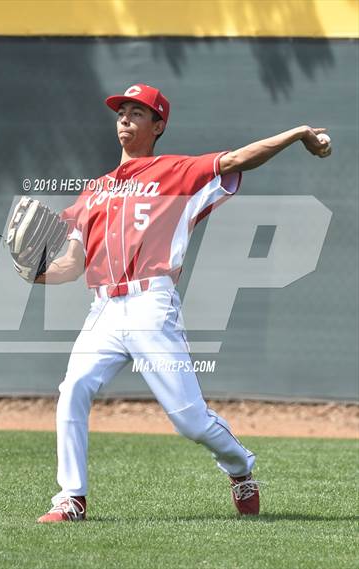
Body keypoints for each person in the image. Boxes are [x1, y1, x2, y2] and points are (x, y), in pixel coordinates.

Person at [36, 84, 329, 522]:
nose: (125, 119)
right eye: (121, 112)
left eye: (138, 113)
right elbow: (72, 264)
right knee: (73, 390)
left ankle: (240, 466)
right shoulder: (93, 190)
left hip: (152, 305)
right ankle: (71, 498)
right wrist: (39, 272)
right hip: (102, 311)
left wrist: (296, 133)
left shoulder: (175, 171)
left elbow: (234, 160)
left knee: (190, 420)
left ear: (158, 126)